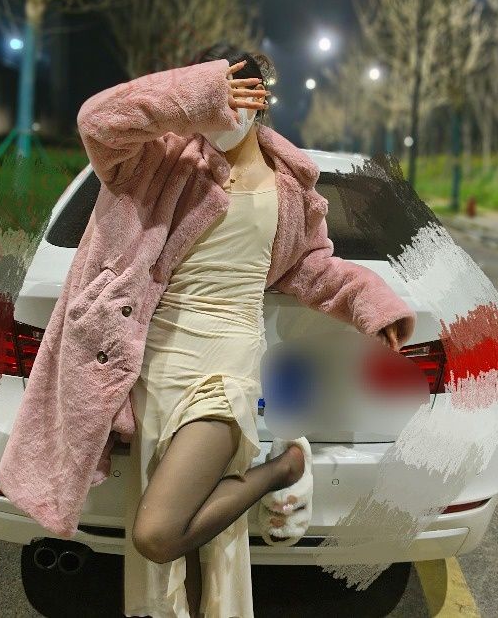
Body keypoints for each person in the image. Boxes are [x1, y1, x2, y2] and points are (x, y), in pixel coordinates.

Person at [108, 42, 404, 617]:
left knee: (157, 532)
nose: (224, 112)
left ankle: (283, 467)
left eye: (236, 95)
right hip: (158, 358)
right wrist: (189, 97)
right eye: (213, 95)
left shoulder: (289, 188)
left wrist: (374, 302)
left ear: (260, 100)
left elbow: (312, 267)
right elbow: (98, 123)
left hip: (226, 358)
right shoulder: (169, 163)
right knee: (183, 537)